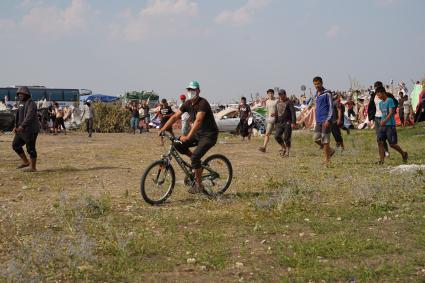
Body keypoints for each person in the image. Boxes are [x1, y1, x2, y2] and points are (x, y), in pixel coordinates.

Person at [159, 81, 219, 194]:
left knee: (194, 158)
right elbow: (175, 116)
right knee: (177, 144)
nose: (190, 92)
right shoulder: (187, 104)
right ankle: (197, 165)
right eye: (189, 90)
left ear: (198, 91)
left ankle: (199, 185)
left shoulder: (203, 103)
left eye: (193, 90)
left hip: (209, 135)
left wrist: (188, 136)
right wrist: (163, 128)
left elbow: (198, 120)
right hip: (198, 134)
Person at [375, 86, 408, 164]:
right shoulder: (380, 103)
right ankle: (381, 160)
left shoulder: (390, 100)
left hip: (390, 125)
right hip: (382, 126)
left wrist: (385, 121)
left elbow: (391, 112)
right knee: (380, 142)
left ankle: (404, 154)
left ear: (383, 93)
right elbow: (383, 114)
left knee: (392, 144)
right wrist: (381, 122)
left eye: (378, 95)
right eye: (377, 95)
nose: (378, 97)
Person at [12, 86, 40, 172]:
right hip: (21, 130)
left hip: (30, 130)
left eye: (22, 94)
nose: (20, 95)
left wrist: (22, 126)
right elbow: (17, 116)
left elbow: (29, 116)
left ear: (26, 94)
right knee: (15, 145)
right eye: (19, 94)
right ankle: (26, 162)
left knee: (30, 148)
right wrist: (15, 126)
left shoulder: (31, 103)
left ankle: (33, 167)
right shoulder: (20, 103)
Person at [312, 76, 335, 164]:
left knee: (325, 140)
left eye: (318, 83)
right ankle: (331, 151)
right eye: (315, 84)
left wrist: (328, 120)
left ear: (322, 83)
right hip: (318, 120)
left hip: (326, 120)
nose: (316, 85)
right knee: (315, 138)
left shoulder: (327, 93)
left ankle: (327, 160)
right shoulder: (316, 95)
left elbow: (331, 107)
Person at [367, 81, 390, 157]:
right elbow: (371, 106)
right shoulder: (373, 95)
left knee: (384, 136)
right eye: (376, 87)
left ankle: (386, 150)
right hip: (377, 117)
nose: (377, 89)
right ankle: (383, 153)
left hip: (384, 117)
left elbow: (394, 103)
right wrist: (371, 118)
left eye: (378, 87)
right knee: (379, 137)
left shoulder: (387, 95)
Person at [274, 89, 296, 157]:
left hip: (287, 122)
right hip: (279, 123)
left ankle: (287, 152)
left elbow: (293, 112)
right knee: (277, 136)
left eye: (281, 94)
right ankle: (283, 147)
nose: (280, 96)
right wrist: (275, 122)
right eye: (279, 94)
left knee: (286, 137)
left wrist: (293, 122)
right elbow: (276, 112)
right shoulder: (277, 102)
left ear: (285, 94)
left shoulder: (289, 102)